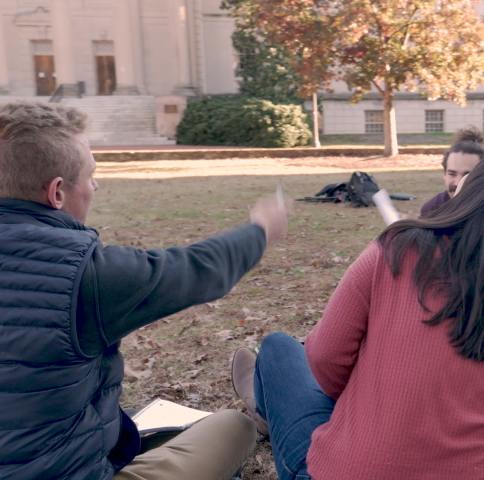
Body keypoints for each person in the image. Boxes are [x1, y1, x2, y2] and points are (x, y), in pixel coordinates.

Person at [232, 147, 484, 480]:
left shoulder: (399, 248)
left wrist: (375, 403)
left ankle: (266, 412)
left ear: (471, 195)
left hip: (344, 467)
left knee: (278, 348)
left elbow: (324, 359)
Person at [0, 100, 288, 480]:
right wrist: (260, 230)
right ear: (56, 193)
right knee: (235, 426)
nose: (95, 185)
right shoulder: (86, 275)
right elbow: (199, 269)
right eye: (90, 175)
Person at [419, 126, 484, 218]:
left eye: (467, 175)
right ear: (444, 175)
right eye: (452, 174)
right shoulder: (432, 209)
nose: (458, 183)